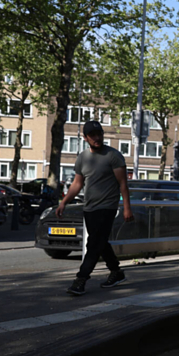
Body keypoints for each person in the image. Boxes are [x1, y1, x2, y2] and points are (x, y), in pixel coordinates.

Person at [57, 120, 134, 295]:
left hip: (107, 207)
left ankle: (81, 279)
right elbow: (77, 184)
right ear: (86, 138)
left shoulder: (113, 156)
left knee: (93, 244)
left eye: (99, 134)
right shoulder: (82, 157)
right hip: (89, 208)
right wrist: (64, 202)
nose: (97, 138)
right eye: (93, 136)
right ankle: (116, 272)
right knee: (100, 242)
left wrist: (127, 208)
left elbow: (123, 184)